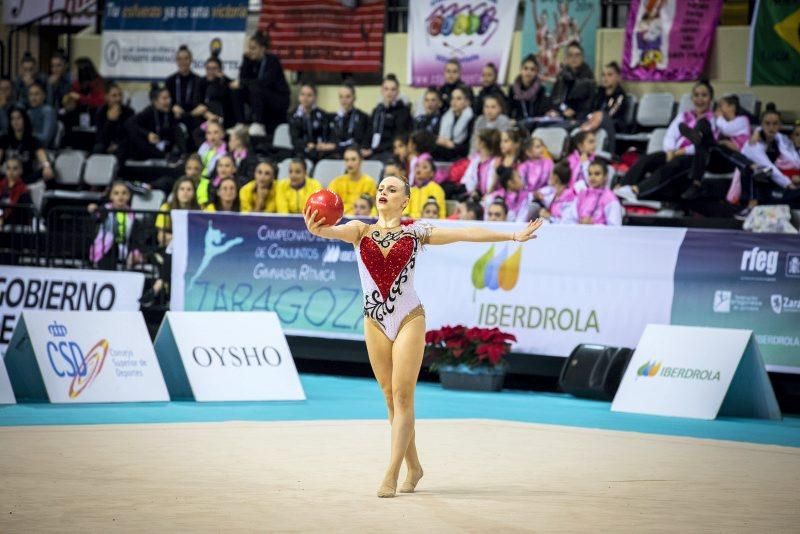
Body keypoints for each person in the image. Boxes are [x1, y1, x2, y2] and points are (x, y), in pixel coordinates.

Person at [303, 176, 543, 498]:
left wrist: (512, 235)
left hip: (408, 318)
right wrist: (317, 228)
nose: (383, 192)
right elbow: (331, 230)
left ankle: (391, 473)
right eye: (380, 189)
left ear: (405, 200)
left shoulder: (415, 233)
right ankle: (415, 467)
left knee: (403, 398)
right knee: (389, 398)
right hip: (374, 320)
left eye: (391, 189)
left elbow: (465, 233)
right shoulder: (360, 230)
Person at [618, 80, 716, 200]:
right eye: (696, 95)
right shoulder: (684, 116)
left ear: (711, 99)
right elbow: (671, 134)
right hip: (674, 152)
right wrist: (670, 150)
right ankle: (621, 187)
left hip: (693, 158)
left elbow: (704, 146)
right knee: (647, 159)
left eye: (704, 95)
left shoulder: (712, 121)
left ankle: (637, 191)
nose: (700, 99)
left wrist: (679, 152)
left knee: (672, 166)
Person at [679, 94, 753, 201]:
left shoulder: (742, 120)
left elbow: (727, 129)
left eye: (721, 106)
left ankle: (696, 184)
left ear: (732, 107)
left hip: (734, 161)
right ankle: (696, 135)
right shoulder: (719, 123)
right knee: (703, 125)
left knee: (707, 143)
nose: (718, 109)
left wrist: (719, 118)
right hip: (717, 158)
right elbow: (714, 135)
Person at [144, 177, 201, 306]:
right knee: (173, 251)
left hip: (191, 252)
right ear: (176, 192)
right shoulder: (167, 207)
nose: (185, 192)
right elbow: (161, 238)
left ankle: (158, 286)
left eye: (189, 189)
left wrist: (176, 237)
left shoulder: (198, 210)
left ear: (194, 193)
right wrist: (181, 237)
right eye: (182, 189)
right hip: (165, 250)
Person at [730, 106, 800, 210]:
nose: (771, 127)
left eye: (775, 123)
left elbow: (794, 159)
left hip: (775, 181)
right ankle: (751, 205)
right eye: (767, 123)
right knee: (756, 169)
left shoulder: (781, 139)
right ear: (762, 124)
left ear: (780, 125)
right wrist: (788, 183)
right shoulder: (754, 144)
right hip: (756, 183)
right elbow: (769, 167)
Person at [231, 31, 290, 136]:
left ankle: (259, 123)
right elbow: (242, 79)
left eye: (253, 48)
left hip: (277, 99)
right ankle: (241, 122)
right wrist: (245, 61)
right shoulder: (250, 60)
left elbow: (264, 82)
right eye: (249, 48)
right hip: (259, 96)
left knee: (255, 87)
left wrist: (243, 82)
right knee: (236, 89)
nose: (250, 51)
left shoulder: (273, 61)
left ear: (262, 49)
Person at [87, 181, 143, 270]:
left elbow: (134, 238)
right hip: (104, 251)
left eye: (124, 193)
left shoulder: (132, 215)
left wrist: (134, 252)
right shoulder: (104, 210)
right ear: (111, 196)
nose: (120, 196)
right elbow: (96, 219)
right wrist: (93, 210)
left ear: (129, 196)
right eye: (116, 193)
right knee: (113, 249)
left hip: (124, 250)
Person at [580, 61, 628, 153]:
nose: (605, 78)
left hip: (613, 124)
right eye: (603, 75)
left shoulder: (620, 96)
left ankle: (608, 153)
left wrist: (595, 118)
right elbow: (590, 110)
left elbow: (611, 114)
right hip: (594, 123)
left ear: (618, 77)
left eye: (609, 75)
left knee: (601, 116)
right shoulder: (598, 93)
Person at [0, 106, 54, 185]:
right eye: (12, 119)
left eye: (19, 118)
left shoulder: (33, 140)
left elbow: (42, 156)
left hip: (25, 177)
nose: (15, 121)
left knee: (46, 172)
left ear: (24, 120)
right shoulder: (4, 139)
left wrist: (46, 166)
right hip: (7, 176)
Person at [122, 84, 177, 161]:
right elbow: (128, 123)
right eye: (164, 98)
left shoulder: (172, 111)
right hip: (148, 148)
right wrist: (147, 134)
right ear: (155, 101)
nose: (169, 101)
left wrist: (179, 116)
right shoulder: (149, 111)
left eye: (169, 98)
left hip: (166, 145)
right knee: (134, 135)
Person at [365, 74, 412, 161]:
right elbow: (369, 131)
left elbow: (397, 137)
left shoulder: (403, 111)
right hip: (372, 151)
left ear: (397, 91)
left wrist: (374, 150)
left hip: (389, 152)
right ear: (382, 91)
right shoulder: (377, 110)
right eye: (386, 89)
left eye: (393, 89)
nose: (389, 92)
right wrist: (364, 147)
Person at [563, 160, 622, 225]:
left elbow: (615, 228)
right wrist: (579, 224)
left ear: (605, 177)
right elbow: (568, 219)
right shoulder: (582, 194)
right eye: (590, 174)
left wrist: (593, 224)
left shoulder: (611, 199)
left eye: (597, 174)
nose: (592, 177)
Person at [549, 42, 596, 121]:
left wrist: (574, 110)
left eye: (577, 55)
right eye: (570, 55)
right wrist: (560, 110)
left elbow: (591, 103)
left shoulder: (589, 79)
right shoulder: (561, 77)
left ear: (582, 57)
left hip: (581, 118)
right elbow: (554, 99)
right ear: (566, 58)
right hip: (561, 115)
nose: (574, 58)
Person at [328, 147, 378, 215]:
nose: (349, 163)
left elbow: (373, 208)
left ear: (361, 161)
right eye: (346, 160)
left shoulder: (369, 183)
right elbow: (329, 206)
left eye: (353, 159)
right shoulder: (336, 182)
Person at [507, 55, 549, 132]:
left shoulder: (541, 89)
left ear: (536, 72)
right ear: (521, 70)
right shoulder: (512, 89)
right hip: (517, 125)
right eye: (525, 68)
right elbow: (509, 109)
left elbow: (541, 112)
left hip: (535, 125)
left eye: (532, 69)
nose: (528, 72)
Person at [61, 57, 105, 132]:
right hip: (79, 116)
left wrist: (80, 98)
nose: (73, 72)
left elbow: (100, 102)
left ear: (82, 71)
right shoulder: (75, 84)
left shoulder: (98, 83)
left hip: (95, 116)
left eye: (75, 69)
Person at [326, 84, 370, 157]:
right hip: (335, 156)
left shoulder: (363, 118)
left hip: (354, 155)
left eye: (348, 96)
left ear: (354, 97)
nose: (344, 100)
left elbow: (357, 142)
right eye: (341, 97)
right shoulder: (333, 118)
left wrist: (335, 147)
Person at [289, 84, 330, 161]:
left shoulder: (322, 114)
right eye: (302, 94)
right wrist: (307, 144)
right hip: (300, 151)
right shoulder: (293, 115)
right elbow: (294, 139)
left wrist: (320, 145)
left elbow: (326, 134)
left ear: (315, 97)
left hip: (319, 150)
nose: (305, 98)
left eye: (309, 95)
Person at [165, 46, 201, 134]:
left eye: (186, 59)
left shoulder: (199, 80)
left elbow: (202, 101)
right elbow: (165, 100)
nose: (183, 62)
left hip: (193, 116)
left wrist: (197, 109)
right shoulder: (170, 80)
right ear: (176, 61)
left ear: (191, 60)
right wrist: (172, 107)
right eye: (179, 59)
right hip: (175, 116)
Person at [433, 85, 475, 161]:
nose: (454, 102)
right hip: (443, 155)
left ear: (467, 102)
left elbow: (469, 147)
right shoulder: (445, 117)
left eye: (458, 99)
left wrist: (452, 145)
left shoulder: (472, 119)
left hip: (462, 157)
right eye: (452, 98)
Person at [194, 55, 235, 130]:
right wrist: (207, 114)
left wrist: (222, 80)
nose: (210, 71)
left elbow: (228, 103)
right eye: (208, 68)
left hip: (225, 118)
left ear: (220, 70)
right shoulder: (201, 82)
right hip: (206, 117)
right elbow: (197, 102)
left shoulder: (226, 82)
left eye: (214, 69)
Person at [93, 82, 134, 155]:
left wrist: (118, 145)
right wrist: (110, 121)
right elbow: (100, 138)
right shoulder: (101, 112)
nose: (118, 98)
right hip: (107, 144)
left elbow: (130, 135)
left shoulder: (129, 112)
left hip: (123, 144)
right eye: (114, 96)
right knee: (98, 148)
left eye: (120, 95)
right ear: (106, 97)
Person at [462, 129, 501, 199]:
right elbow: (467, 178)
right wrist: (472, 191)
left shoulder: (495, 161)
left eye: (476, 140)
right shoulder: (476, 158)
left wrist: (485, 196)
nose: (475, 143)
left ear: (482, 143)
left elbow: (491, 185)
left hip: (491, 196)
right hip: (475, 194)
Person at [406, 154, 446, 218]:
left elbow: (439, 216)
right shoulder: (410, 190)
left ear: (432, 173)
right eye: (417, 166)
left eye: (424, 167)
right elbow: (405, 214)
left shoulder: (436, 189)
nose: (418, 170)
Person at [0, 156, 33, 227]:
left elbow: (29, 212)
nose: (11, 172)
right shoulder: (1, 185)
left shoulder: (23, 190)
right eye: (8, 168)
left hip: (14, 225)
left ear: (20, 171)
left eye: (14, 169)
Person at [25, 82, 57, 148]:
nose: (33, 98)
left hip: (46, 150)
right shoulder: (28, 112)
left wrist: (28, 135)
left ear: (44, 96)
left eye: (36, 94)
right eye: (30, 95)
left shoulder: (48, 111)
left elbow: (46, 138)